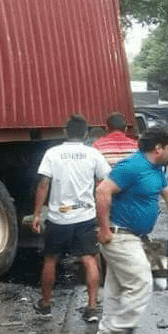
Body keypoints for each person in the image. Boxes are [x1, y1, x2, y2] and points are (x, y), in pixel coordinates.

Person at [93, 124, 168, 334]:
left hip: (137, 238)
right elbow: (102, 191)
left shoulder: (156, 170)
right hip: (119, 236)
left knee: (117, 291)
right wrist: (104, 228)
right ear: (158, 148)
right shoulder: (133, 166)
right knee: (141, 282)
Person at [31, 114, 111, 321]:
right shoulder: (93, 154)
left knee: (50, 260)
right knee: (89, 259)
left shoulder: (52, 153)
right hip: (84, 216)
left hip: (58, 218)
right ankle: (92, 308)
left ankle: (46, 305)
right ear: (86, 134)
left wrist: (37, 214)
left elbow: (43, 184)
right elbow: (104, 183)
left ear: (65, 132)